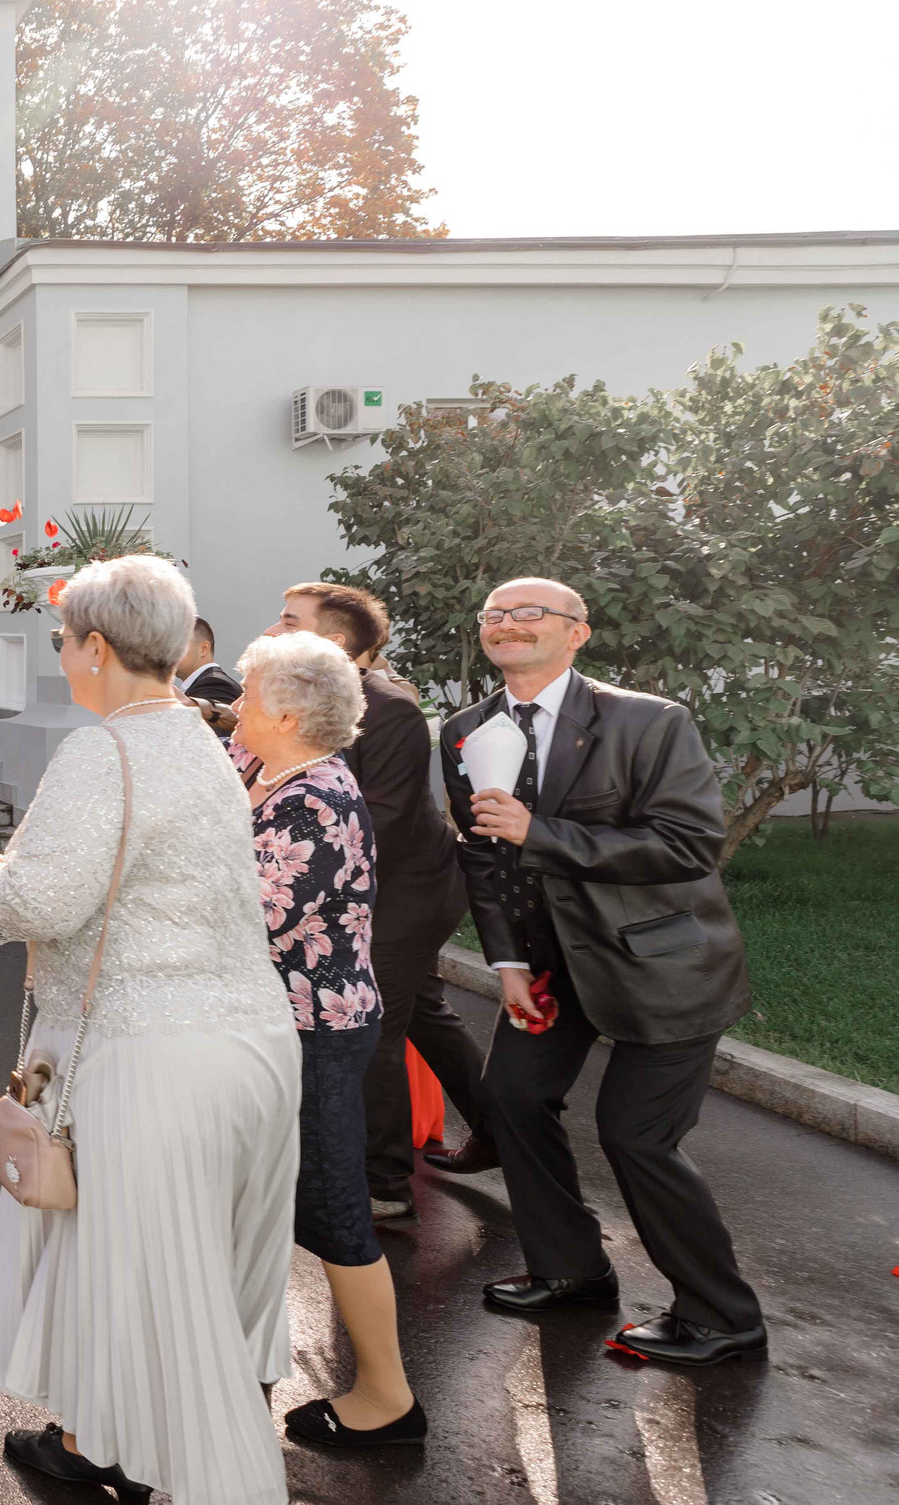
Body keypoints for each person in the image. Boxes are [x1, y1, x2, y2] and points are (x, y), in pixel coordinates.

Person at [0, 555, 298, 1505]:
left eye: (63, 639)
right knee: (174, 1274)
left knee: (160, 1295)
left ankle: (197, 1475)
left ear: (96, 645)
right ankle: (99, 1439)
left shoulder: (103, 750)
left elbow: (40, 903)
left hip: (151, 1054)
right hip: (250, 1040)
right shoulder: (203, 741)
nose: (62, 654)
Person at [439, 578, 765, 1367]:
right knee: (511, 1095)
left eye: (530, 613)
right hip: (551, 967)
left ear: (577, 632)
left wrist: (541, 832)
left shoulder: (649, 721)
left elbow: (688, 844)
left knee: (637, 1134)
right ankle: (572, 1270)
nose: (509, 624)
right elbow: (482, 857)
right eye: (495, 614)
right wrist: (509, 962)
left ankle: (722, 1315)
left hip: (662, 963)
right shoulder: (465, 729)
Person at [232, 631, 424, 1449]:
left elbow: (248, 918)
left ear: (285, 713)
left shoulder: (318, 800)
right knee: (265, 1200)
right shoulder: (260, 765)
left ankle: (389, 1397)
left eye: (247, 694)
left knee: (333, 1208)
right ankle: (242, 1369)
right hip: (270, 1022)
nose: (234, 705)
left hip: (316, 1030)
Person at [268, 582, 485, 1220]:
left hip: (410, 890)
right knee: (423, 1013)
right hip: (363, 887)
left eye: (289, 621)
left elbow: (380, 819)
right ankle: (504, 1129)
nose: (274, 630)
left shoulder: (389, 710)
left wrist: (305, 887)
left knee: (369, 1022)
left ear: (335, 642)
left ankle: (383, 1183)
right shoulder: (299, 701)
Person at [174, 616, 242, 707]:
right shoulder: (205, 683)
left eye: (178, 644)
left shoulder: (216, 684)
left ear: (204, 648)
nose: (169, 651)